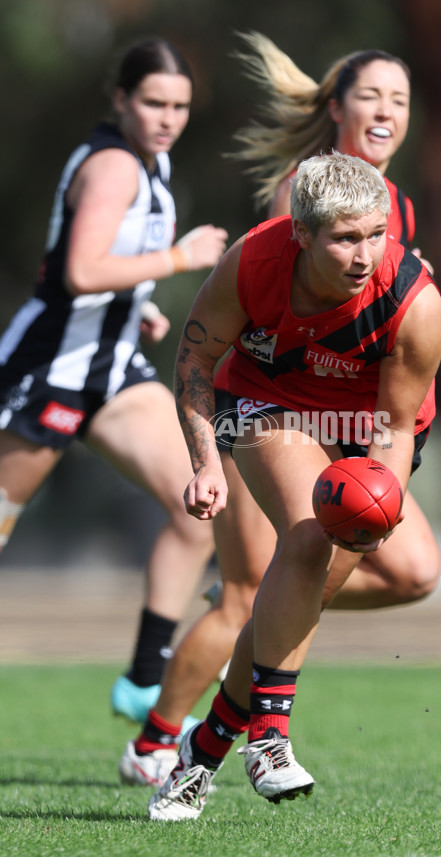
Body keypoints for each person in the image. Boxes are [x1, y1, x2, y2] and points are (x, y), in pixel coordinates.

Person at [118, 36, 441, 787]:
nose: (386, 111)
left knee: (412, 570)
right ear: (336, 108)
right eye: (371, 95)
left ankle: (203, 745)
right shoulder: (284, 224)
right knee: (276, 571)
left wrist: (425, 326)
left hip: (353, 419)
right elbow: (204, 357)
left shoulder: (394, 226)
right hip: (269, 401)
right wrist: (207, 461)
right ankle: (165, 739)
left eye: (400, 99)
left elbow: (395, 398)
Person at [0, 38, 228, 725]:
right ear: (121, 99)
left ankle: (144, 682)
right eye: (154, 102)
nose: (167, 117)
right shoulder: (113, 166)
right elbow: (79, 272)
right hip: (53, 371)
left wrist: (141, 306)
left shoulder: (152, 165)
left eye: (180, 106)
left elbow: (106, 272)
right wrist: (179, 258)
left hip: (114, 369)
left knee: (197, 506)